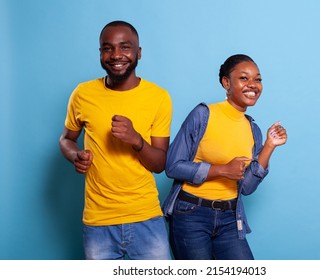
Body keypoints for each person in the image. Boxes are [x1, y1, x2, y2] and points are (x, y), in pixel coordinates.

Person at [59, 20, 173, 260]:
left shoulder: (159, 97)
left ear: (138, 52)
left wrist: (136, 140)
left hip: (146, 218)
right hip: (98, 221)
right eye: (107, 48)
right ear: (100, 53)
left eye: (125, 47)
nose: (116, 55)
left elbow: (160, 164)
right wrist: (74, 155)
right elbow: (66, 139)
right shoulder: (82, 94)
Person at [162, 54, 287, 260]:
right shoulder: (203, 114)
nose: (253, 85)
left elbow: (246, 187)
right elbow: (173, 166)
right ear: (226, 82)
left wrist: (269, 146)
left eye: (258, 79)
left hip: (231, 217)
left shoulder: (252, 129)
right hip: (191, 214)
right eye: (244, 78)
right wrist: (221, 170)